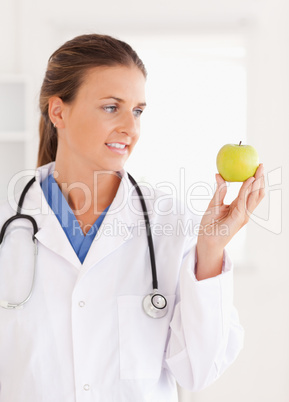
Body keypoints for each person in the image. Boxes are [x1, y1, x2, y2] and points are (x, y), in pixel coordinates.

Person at [0, 34, 265, 402]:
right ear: (58, 111)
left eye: (138, 110)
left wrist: (211, 252)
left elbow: (199, 370)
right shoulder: (8, 219)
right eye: (112, 107)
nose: (131, 127)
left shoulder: (170, 222)